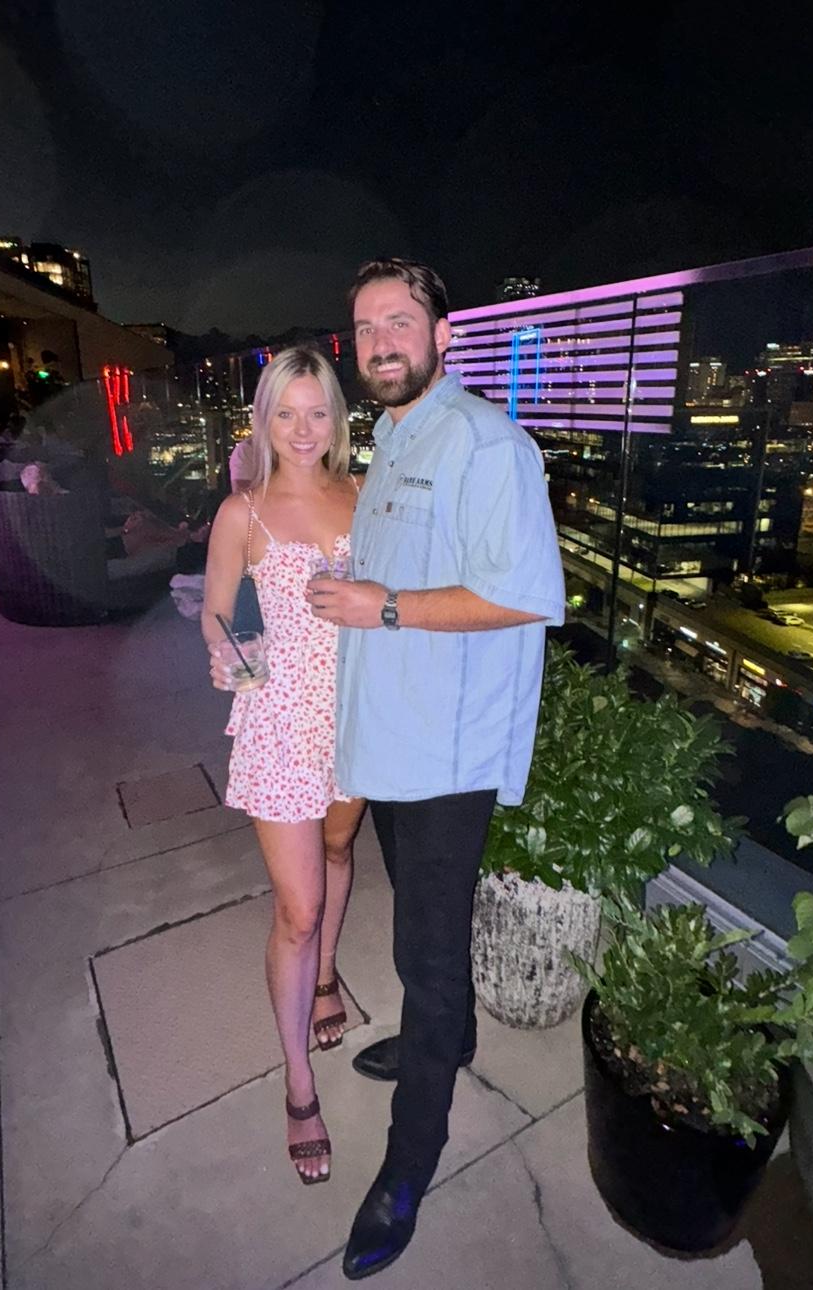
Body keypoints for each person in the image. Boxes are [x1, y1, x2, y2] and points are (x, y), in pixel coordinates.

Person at [308, 259, 565, 1279]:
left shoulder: (487, 443)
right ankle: (446, 1043)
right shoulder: (394, 437)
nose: (379, 342)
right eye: (365, 326)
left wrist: (382, 606)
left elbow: (525, 593)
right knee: (420, 928)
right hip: (391, 739)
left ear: (443, 334)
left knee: (426, 957)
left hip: (447, 757)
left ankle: (409, 1165)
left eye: (399, 321)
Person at [201, 346, 369, 1186]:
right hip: (280, 724)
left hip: (356, 721)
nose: (303, 430)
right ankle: (298, 1083)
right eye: (286, 414)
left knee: (339, 850)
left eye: (317, 412)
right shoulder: (242, 512)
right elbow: (216, 614)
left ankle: (330, 973)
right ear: (263, 421)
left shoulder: (364, 495)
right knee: (297, 909)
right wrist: (230, 656)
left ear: (337, 419)